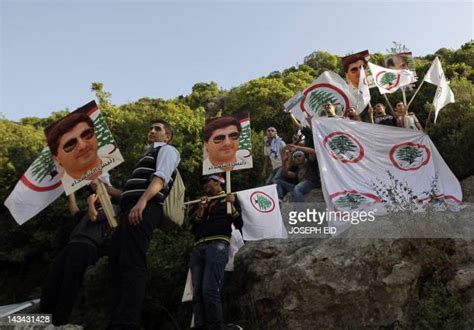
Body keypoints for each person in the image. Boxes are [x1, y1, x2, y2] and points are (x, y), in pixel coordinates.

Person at [108, 120, 180, 329]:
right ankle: (116, 319)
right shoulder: (145, 156)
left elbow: (161, 178)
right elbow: (127, 192)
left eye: (157, 129)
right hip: (130, 209)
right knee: (116, 265)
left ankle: (126, 323)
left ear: (167, 136)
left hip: (144, 208)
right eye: (150, 128)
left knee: (132, 263)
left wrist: (142, 202)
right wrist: (105, 187)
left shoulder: (167, 150)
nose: (152, 131)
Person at [40, 179, 118, 326]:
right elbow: (74, 211)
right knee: (53, 278)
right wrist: (71, 193)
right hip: (72, 244)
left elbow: (93, 217)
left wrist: (90, 203)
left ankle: (59, 321)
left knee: (70, 282)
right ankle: (43, 318)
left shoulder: (111, 208)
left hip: (86, 246)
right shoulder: (92, 207)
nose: (97, 194)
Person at [191, 175, 243, 330]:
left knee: (209, 288)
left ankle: (216, 326)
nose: (204, 186)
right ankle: (201, 326)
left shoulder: (229, 199)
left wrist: (232, 205)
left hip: (217, 244)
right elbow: (194, 229)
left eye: (207, 182)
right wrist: (200, 211)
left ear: (217, 182)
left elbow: (239, 223)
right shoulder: (204, 203)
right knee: (197, 292)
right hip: (199, 247)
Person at [46, 112, 101, 181]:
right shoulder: (67, 190)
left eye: (86, 134)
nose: (83, 146)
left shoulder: (115, 158)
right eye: (70, 144)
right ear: (57, 159)